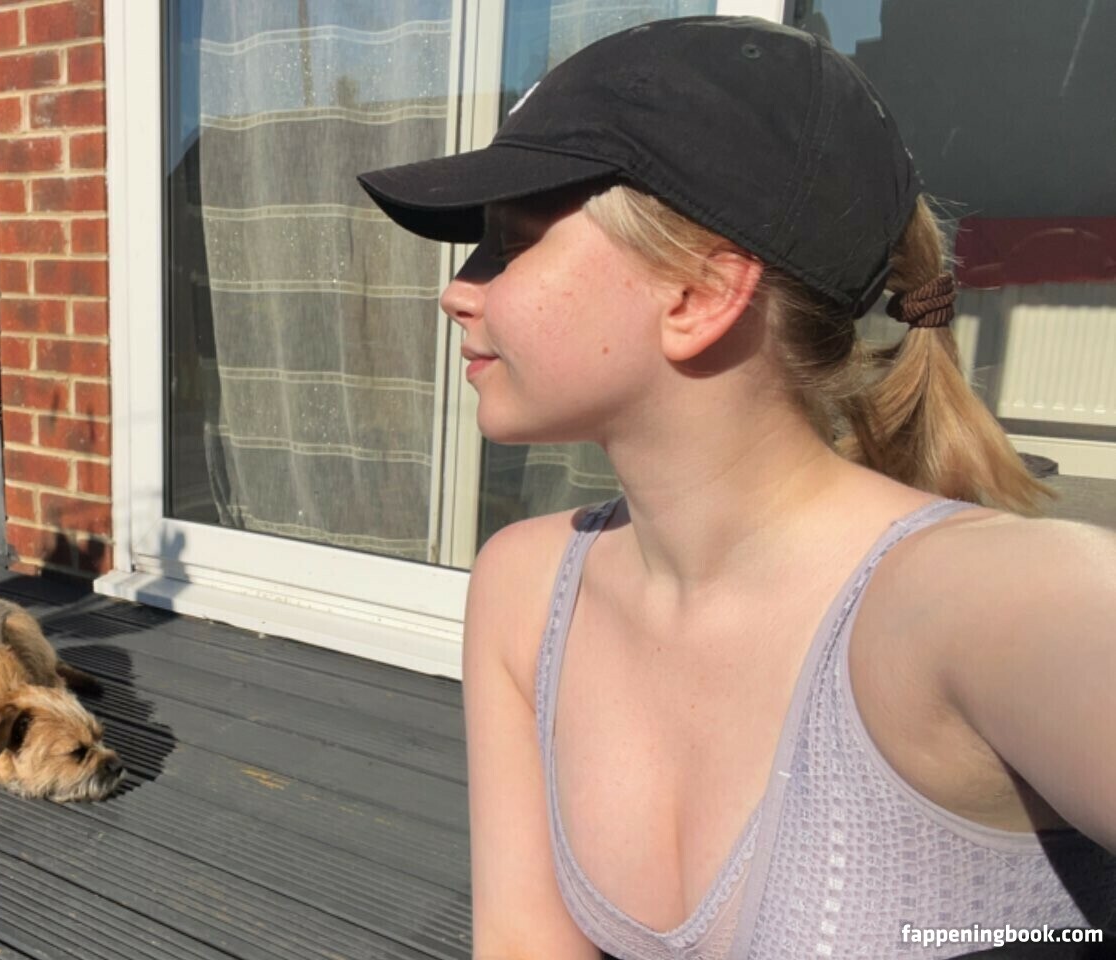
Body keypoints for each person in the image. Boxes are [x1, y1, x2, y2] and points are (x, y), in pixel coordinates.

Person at [358, 16, 1115, 960]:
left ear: (699, 295)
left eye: (509, 242)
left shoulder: (990, 604)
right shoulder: (527, 587)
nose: (458, 290)